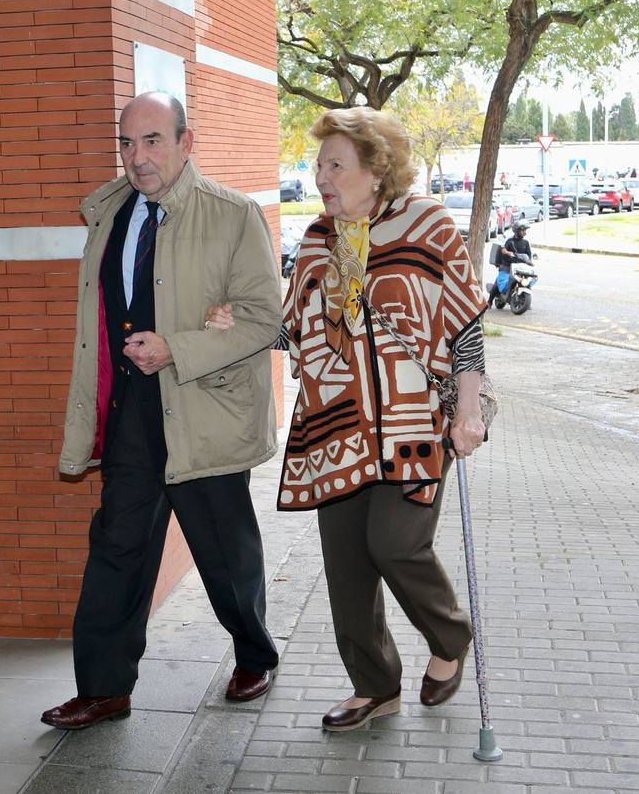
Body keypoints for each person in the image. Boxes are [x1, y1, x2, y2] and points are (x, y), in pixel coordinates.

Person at [206, 107, 489, 732]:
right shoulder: (317, 239)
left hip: (412, 425)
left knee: (395, 544)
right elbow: (294, 328)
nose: (321, 177)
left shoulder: (429, 225)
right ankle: (374, 685)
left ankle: (450, 637)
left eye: (335, 164)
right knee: (347, 567)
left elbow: (464, 326)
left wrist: (468, 407)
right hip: (334, 428)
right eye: (318, 164)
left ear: (375, 169)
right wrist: (240, 326)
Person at [44, 92, 282, 731]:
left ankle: (255, 655)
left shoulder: (233, 215)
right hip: (130, 414)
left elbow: (265, 319)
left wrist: (178, 347)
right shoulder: (111, 213)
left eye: (152, 141)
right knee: (117, 548)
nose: (137, 157)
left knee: (225, 551)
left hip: (203, 407)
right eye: (127, 143)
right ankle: (103, 687)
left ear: (186, 142)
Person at [491, 220, 533, 299]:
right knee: (499, 282)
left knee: (527, 280)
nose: (525, 232)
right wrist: (508, 253)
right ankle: (489, 301)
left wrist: (530, 262)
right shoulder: (509, 240)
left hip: (519, 267)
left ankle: (525, 298)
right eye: (523, 230)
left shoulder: (526, 242)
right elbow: (503, 249)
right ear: (517, 231)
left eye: (525, 230)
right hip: (507, 265)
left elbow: (528, 255)